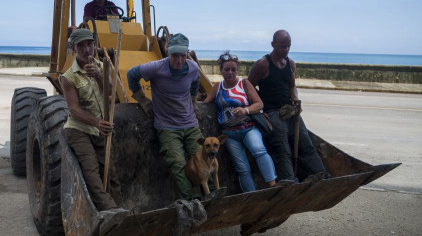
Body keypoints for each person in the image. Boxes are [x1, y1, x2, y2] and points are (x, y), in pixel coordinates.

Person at [126, 33, 204, 200]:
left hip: (190, 123)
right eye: (175, 56)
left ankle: (210, 195)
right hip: (167, 127)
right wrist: (142, 99)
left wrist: (193, 101)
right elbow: (131, 75)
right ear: (168, 52)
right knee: (177, 164)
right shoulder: (155, 68)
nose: (179, 60)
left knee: (203, 158)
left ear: (187, 54)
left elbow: (196, 82)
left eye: (182, 56)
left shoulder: (192, 68)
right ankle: (192, 200)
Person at [248, 29, 329, 182]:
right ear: (273, 45)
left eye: (288, 46)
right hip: (272, 113)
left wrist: (295, 100)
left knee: (306, 144)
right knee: (282, 150)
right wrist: (258, 110)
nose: (286, 50)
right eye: (282, 46)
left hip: (290, 111)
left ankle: (322, 176)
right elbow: (248, 87)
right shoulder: (262, 64)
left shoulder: (290, 63)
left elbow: (292, 86)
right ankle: (289, 182)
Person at [60, 28, 123, 211]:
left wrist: (97, 74)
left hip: (99, 129)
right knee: (92, 173)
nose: (87, 50)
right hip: (79, 129)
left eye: (90, 44)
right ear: (73, 48)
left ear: (94, 45)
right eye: (81, 46)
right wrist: (96, 122)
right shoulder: (68, 77)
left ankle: (121, 210)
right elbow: (73, 109)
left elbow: (112, 92)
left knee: (111, 174)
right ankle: (110, 212)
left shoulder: (103, 65)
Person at [203, 52, 277, 192]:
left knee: (259, 151)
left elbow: (259, 104)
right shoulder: (217, 87)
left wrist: (246, 110)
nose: (230, 72)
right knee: (242, 168)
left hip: (248, 128)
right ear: (221, 70)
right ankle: (251, 194)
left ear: (237, 70)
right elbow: (205, 103)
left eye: (233, 69)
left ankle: (273, 185)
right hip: (229, 135)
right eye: (227, 69)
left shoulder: (244, 84)